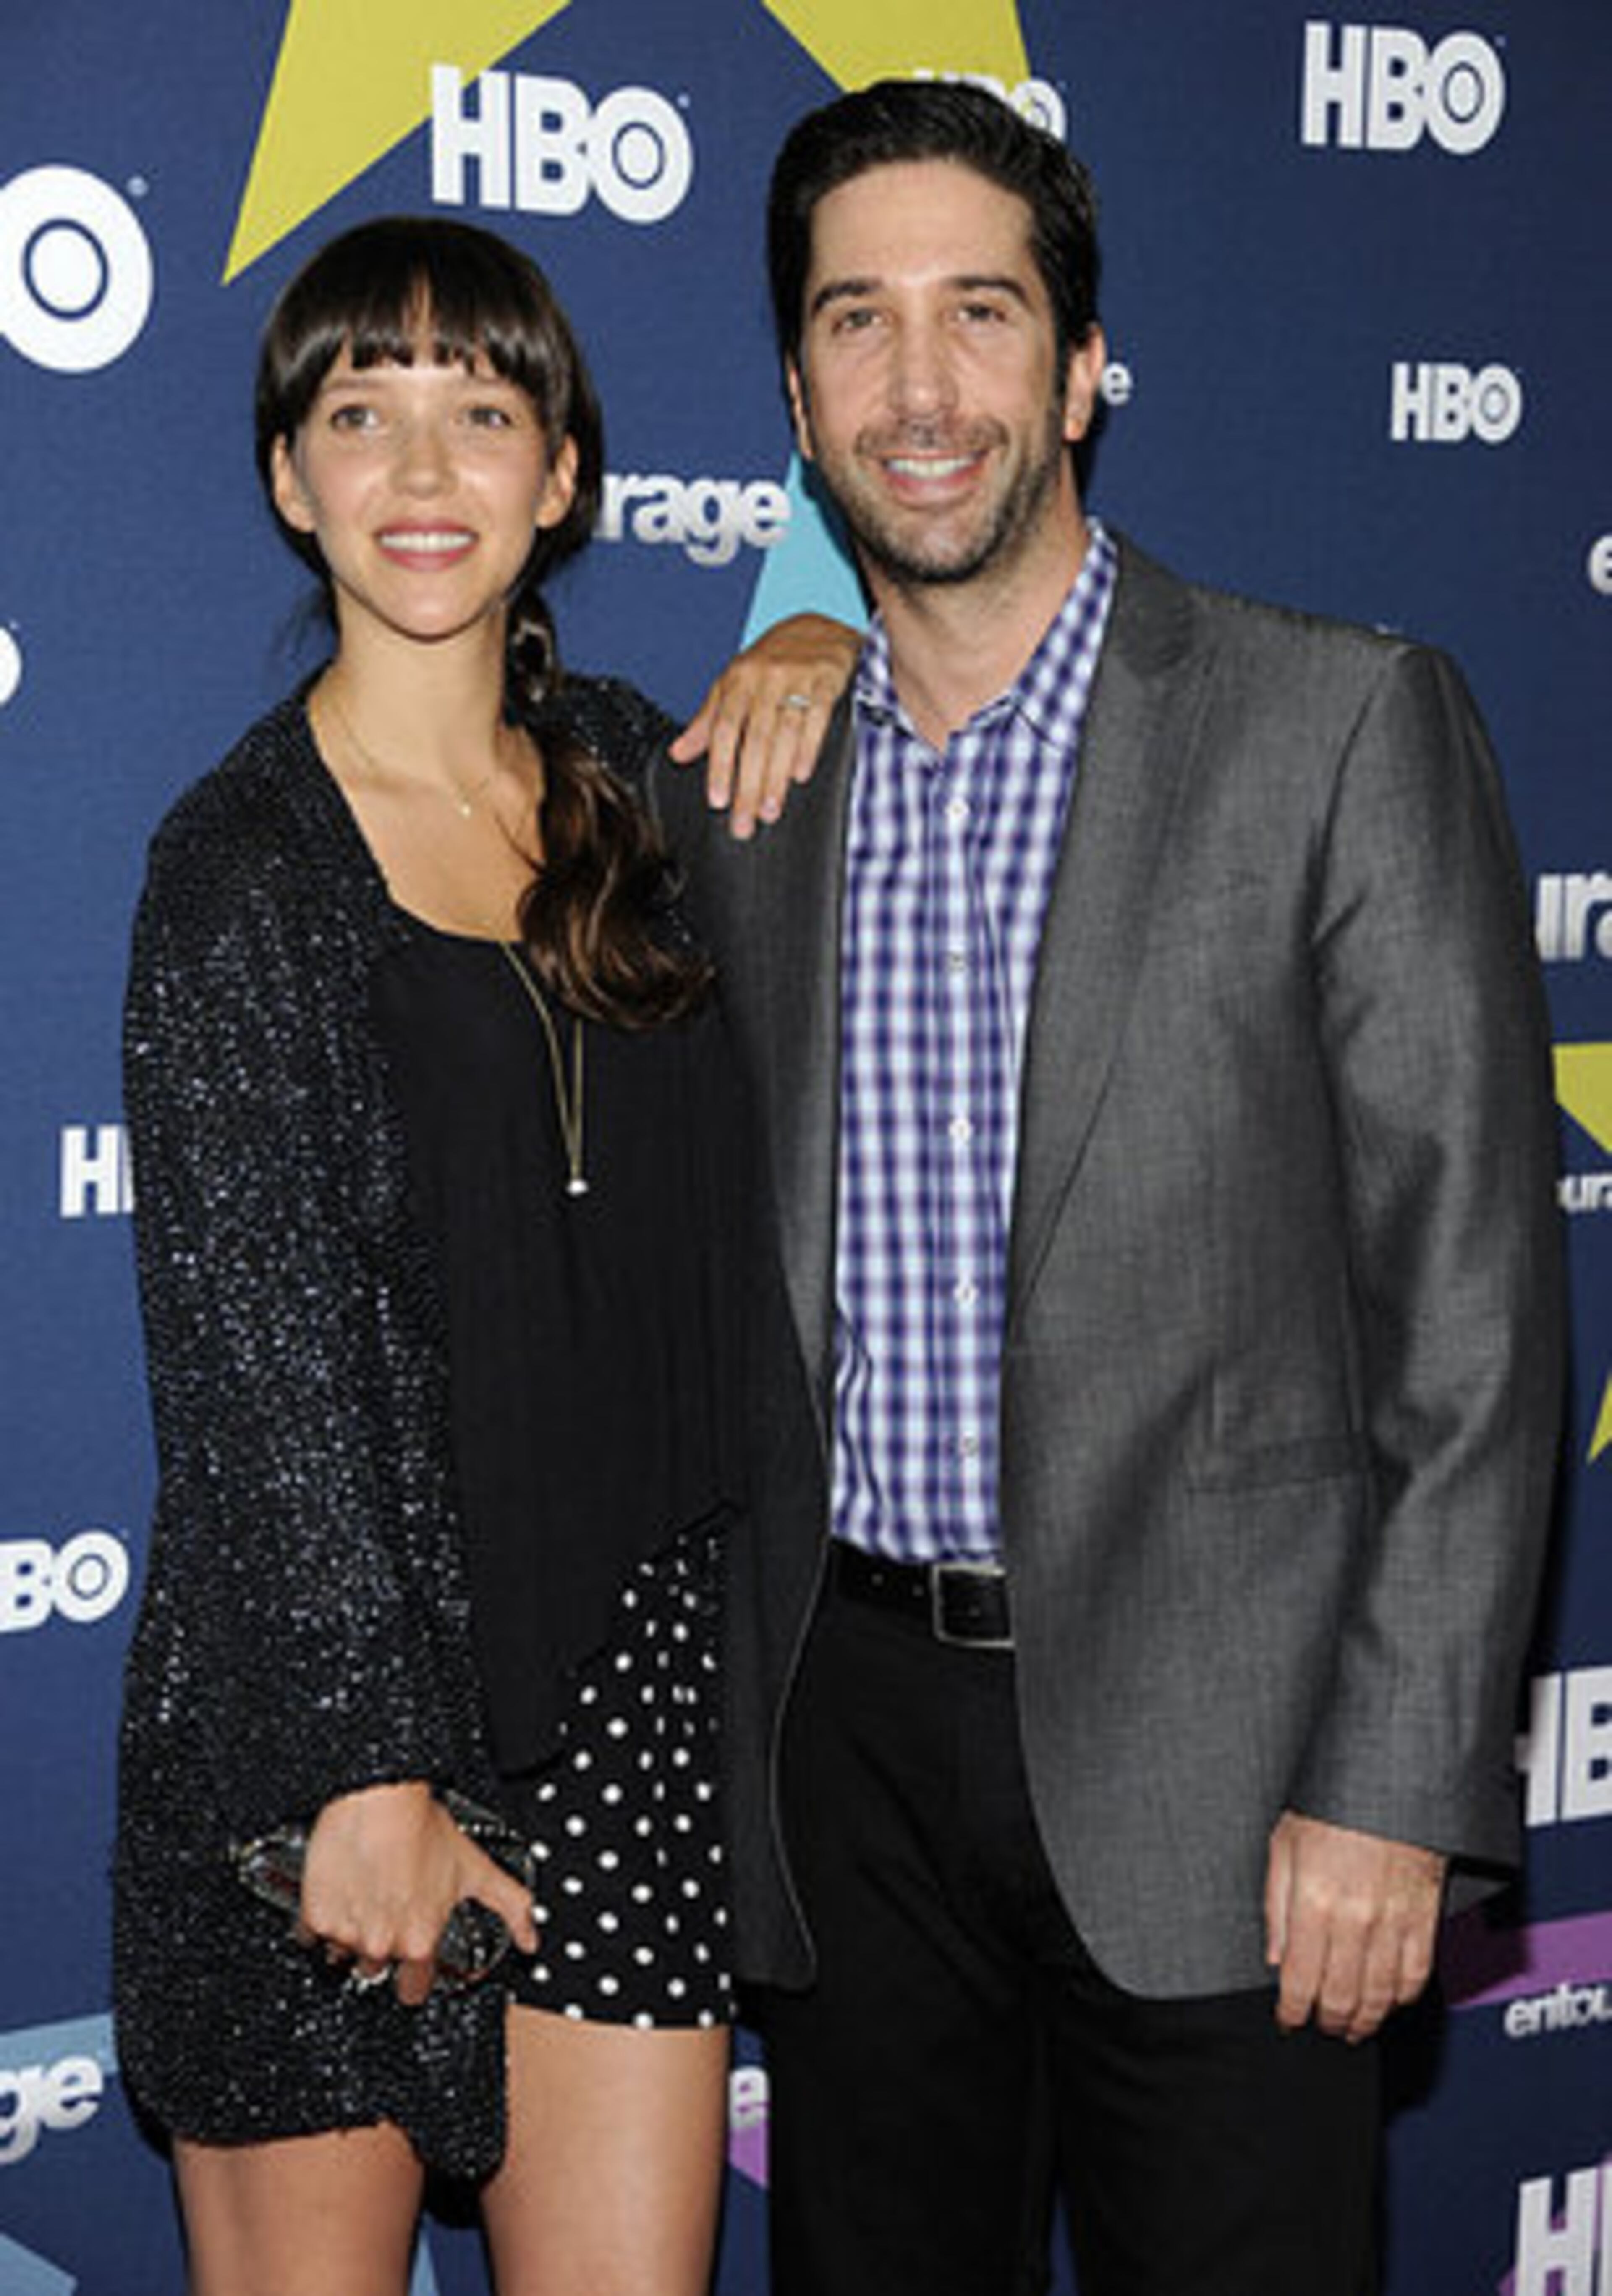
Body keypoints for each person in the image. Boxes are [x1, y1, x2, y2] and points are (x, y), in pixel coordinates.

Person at [657, 78, 1564, 2296]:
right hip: (846, 1752)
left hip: (1239, 1768)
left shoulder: (1336, 725)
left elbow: (1472, 1310)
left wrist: (1395, 1777)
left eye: (982, 310)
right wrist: (796, 648)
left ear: (1079, 367)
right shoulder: (743, 787)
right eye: (856, 323)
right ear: (794, 393)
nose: (922, 382)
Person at [113, 213, 853, 2296]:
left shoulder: (650, 778)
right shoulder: (237, 861)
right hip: (329, 1735)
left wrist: (824, 631)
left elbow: (938, 683)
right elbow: (248, 1355)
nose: (422, 473)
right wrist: (370, 1768)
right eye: (364, 413)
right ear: (289, 476)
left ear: (565, 475)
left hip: (633, 1704)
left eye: (481, 413)